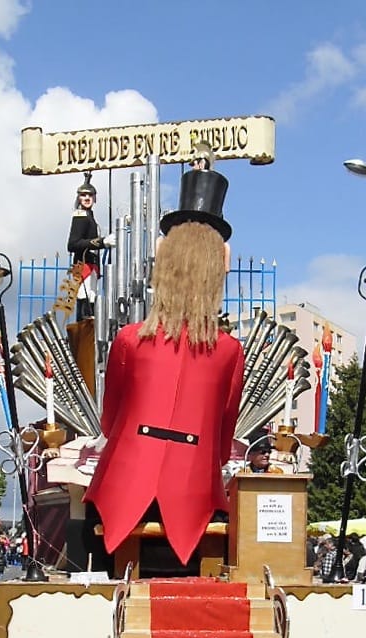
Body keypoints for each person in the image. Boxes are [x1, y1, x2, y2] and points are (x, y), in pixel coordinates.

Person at [83, 167, 244, 567]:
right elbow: (223, 442)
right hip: (194, 496)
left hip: (122, 489)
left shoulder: (129, 339)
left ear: (163, 260)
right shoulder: (228, 350)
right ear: (218, 266)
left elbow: (109, 422)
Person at [67, 172, 115, 322]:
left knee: (91, 296)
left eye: (90, 195)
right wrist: (102, 242)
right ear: (79, 198)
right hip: (84, 266)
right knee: (85, 296)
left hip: (91, 265)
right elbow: (73, 244)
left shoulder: (89, 216)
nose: (87, 198)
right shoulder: (80, 216)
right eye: (83, 195)